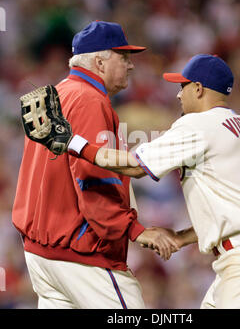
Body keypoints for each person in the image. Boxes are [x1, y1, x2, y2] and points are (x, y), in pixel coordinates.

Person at [63, 54, 240, 309]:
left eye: (182, 86)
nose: (178, 95)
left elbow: (135, 166)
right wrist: (182, 237)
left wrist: (74, 143)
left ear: (198, 88)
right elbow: (239, 210)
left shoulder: (199, 124)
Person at [12, 21, 178, 309]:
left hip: (41, 255)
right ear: (100, 62)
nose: (131, 66)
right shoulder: (90, 100)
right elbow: (94, 179)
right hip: (80, 255)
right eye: (123, 57)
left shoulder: (58, 93)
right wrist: (134, 230)